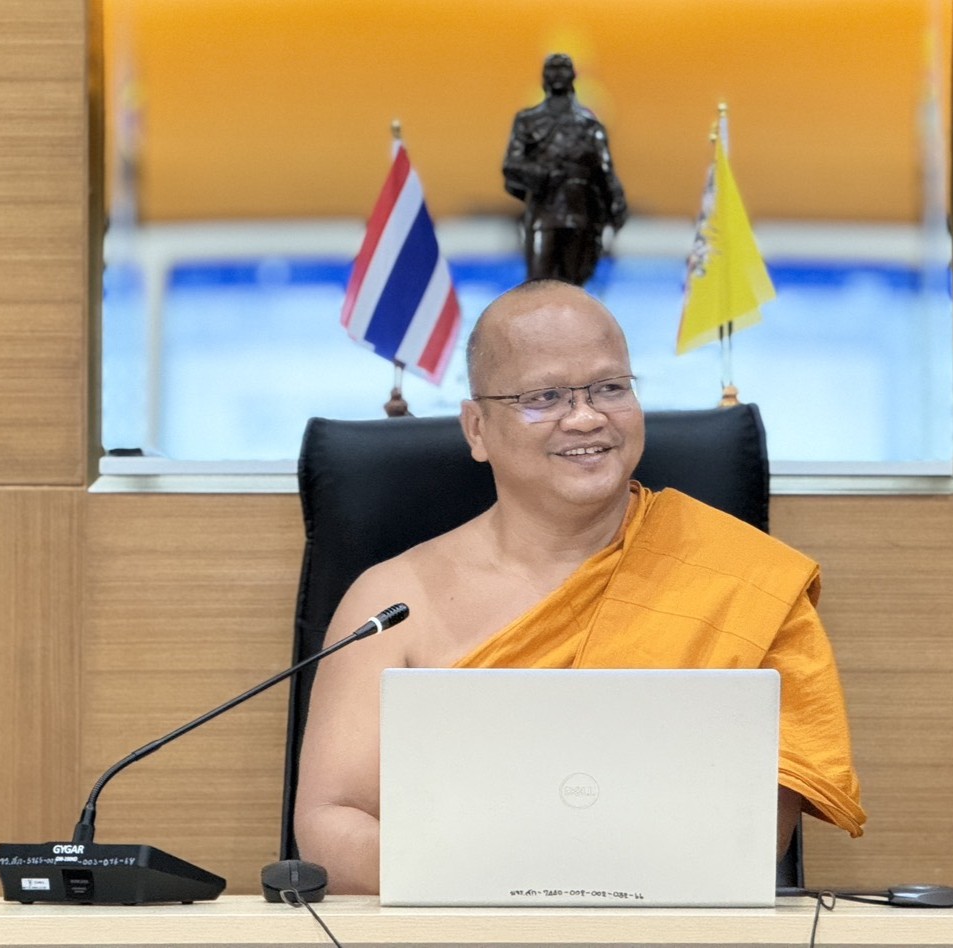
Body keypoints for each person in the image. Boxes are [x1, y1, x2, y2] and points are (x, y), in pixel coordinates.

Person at [294, 279, 866, 894]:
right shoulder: (393, 604)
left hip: (671, 926)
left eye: (610, 388)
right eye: (544, 397)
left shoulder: (745, 581)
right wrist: (517, 886)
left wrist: (556, 883)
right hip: (457, 925)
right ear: (477, 428)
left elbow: (750, 836)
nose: (587, 417)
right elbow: (331, 823)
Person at [502, 54, 628, 286]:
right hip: (543, 214)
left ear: (572, 77)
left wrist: (616, 207)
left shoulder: (590, 126)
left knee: (574, 287)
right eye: (553, 70)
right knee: (539, 286)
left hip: (580, 216)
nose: (557, 75)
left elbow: (604, 173)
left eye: (563, 70)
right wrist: (542, 174)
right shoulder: (527, 121)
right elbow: (511, 166)